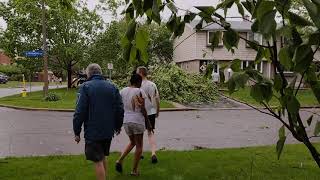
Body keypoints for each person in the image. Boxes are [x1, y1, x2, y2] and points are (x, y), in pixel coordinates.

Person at [73, 63, 124, 180]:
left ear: (88, 73)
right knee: (102, 157)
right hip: (108, 131)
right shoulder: (113, 87)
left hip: (93, 131)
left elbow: (79, 112)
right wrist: (118, 126)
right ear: (100, 73)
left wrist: (77, 131)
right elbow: (120, 109)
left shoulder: (85, 87)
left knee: (98, 161)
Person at [115, 73, 152, 176]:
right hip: (137, 120)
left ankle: (120, 160)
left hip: (126, 121)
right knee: (139, 146)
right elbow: (143, 109)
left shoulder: (122, 91)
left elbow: (119, 106)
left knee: (132, 142)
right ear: (138, 82)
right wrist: (148, 123)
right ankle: (134, 171)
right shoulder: (140, 91)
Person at [137, 66, 160, 164]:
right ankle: (153, 153)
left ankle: (140, 152)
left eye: (137, 73)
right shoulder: (152, 84)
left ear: (141, 73)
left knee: (140, 133)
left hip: (140, 112)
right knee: (150, 132)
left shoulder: (138, 85)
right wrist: (157, 111)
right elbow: (157, 99)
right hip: (151, 112)